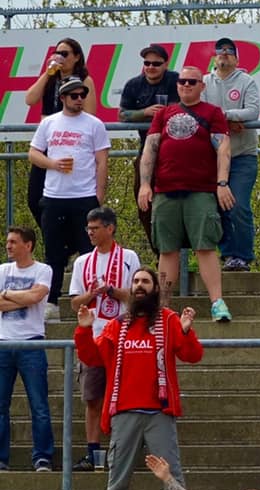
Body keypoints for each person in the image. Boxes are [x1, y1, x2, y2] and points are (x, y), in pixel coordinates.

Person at [74, 269, 205, 490]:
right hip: (124, 412)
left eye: (145, 281)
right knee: (117, 476)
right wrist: (84, 328)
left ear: (156, 288)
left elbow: (192, 355)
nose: (139, 286)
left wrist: (185, 330)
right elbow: (92, 357)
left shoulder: (169, 320)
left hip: (159, 412)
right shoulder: (116, 325)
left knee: (172, 476)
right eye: (135, 282)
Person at [137, 66, 234, 323]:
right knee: (166, 250)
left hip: (200, 190)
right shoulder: (165, 113)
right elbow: (150, 148)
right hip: (165, 190)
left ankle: (217, 302)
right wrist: (145, 184)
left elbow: (223, 148)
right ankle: (163, 307)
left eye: (192, 81)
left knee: (205, 246)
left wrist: (222, 182)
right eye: (182, 81)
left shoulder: (212, 113)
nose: (186, 85)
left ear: (202, 86)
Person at [67, 208, 138, 471]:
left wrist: (110, 290)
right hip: (94, 339)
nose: (90, 232)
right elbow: (75, 303)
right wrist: (91, 294)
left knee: (124, 398)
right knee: (93, 398)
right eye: (88, 228)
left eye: (95, 227)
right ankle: (93, 453)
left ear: (110, 228)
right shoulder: (82, 262)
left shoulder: (129, 257)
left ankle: (122, 451)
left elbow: (136, 296)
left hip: (123, 337)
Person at [29, 77, 109, 304]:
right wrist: (52, 164)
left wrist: (99, 196)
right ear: (62, 97)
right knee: (53, 253)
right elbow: (33, 153)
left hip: (84, 196)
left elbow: (102, 161)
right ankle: (52, 301)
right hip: (54, 196)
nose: (79, 99)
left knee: (88, 252)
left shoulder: (94, 124)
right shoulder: (49, 123)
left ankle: (89, 301)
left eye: (82, 95)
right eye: (74, 96)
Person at [203, 39, 260, 272]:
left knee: (238, 204)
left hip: (243, 155)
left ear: (236, 58)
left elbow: (253, 111)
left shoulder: (247, 81)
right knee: (219, 206)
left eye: (229, 52)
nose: (224, 55)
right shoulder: (205, 82)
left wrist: (224, 117)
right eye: (220, 51)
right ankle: (228, 255)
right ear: (214, 57)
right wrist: (228, 121)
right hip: (213, 155)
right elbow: (199, 113)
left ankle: (244, 256)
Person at [0, 227, 53, 473]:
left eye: (13, 242)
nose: (8, 246)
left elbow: (36, 297)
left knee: (39, 405)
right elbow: (30, 296)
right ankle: (1, 458)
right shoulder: (2, 270)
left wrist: (7, 294)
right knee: (1, 405)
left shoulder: (43, 270)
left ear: (28, 245)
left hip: (32, 343)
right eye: (8, 242)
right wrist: (25, 296)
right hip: (3, 343)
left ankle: (42, 457)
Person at [23, 39, 93, 225]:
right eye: (57, 53)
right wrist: (48, 73)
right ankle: (54, 239)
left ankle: (71, 241)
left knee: (70, 199)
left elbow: (91, 115)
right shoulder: (50, 78)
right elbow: (30, 99)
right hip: (47, 141)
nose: (60, 58)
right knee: (35, 198)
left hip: (70, 143)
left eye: (65, 54)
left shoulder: (84, 81)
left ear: (77, 57)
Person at [116, 44, 176, 127]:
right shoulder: (133, 85)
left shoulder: (177, 81)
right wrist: (145, 112)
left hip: (173, 136)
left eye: (156, 64)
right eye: (147, 63)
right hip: (146, 137)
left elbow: (180, 113)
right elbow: (121, 116)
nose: (151, 67)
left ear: (166, 64)